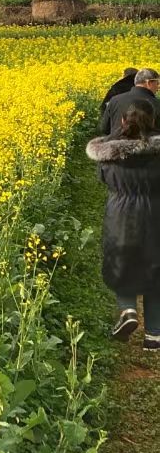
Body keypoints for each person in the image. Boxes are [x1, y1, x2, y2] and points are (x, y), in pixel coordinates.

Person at [87, 106, 160, 348]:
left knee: (122, 262)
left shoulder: (110, 156)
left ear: (121, 122)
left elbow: (102, 178)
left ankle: (128, 310)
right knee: (155, 268)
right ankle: (154, 335)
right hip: (155, 215)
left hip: (121, 214)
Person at [101, 67, 160, 136]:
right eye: (157, 83)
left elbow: (104, 128)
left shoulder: (115, 100)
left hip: (117, 144)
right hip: (146, 145)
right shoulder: (157, 104)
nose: (158, 87)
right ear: (149, 83)